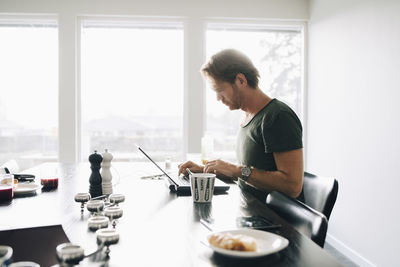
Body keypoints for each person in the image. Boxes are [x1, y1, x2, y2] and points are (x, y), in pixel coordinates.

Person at [178, 49, 304, 201]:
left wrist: (236, 169)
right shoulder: (247, 118)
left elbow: (292, 187)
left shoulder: (278, 116)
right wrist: (205, 170)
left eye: (219, 90)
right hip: (250, 211)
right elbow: (252, 174)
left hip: (275, 220)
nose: (218, 98)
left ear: (241, 80)